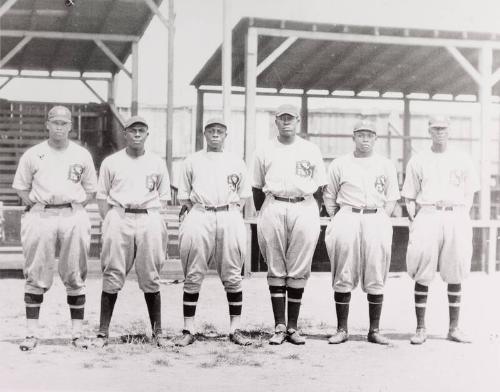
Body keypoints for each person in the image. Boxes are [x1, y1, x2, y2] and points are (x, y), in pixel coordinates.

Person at [12, 105, 98, 351]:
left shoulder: (81, 154)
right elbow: (20, 187)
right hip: (42, 214)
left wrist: (74, 205)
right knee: (36, 273)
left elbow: (91, 189)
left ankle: (77, 334)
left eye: (64, 123)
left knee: (75, 273)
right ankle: (31, 334)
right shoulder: (33, 154)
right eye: (55, 122)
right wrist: (36, 203)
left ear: (71, 126)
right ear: (47, 124)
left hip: (72, 213)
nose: (59, 127)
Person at [93, 115, 171, 348]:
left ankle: (158, 333)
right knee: (113, 272)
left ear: (147, 134)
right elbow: (101, 197)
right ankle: (103, 333)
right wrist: (113, 220)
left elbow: (164, 198)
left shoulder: (157, 162)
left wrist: (152, 217)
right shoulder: (111, 162)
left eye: (141, 130)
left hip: (148, 216)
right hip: (119, 215)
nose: (137, 134)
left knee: (151, 274)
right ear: (124, 134)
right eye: (132, 130)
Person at [252, 104, 326, 345]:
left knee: (298, 266)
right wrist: (267, 210)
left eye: (290, 118)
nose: (286, 122)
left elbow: (320, 187)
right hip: (274, 204)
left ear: (298, 121)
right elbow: (256, 187)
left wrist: (309, 208)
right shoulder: (264, 149)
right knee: (275, 265)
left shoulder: (310, 149)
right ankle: (279, 326)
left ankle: (293, 327)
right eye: (282, 118)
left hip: (303, 205)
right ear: (276, 122)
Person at [174, 118, 252, 347]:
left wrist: (231, 211)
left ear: (226, 135)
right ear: (204, 134)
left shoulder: (236, 161)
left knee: (233, 274)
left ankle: (235, 328)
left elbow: (245, 194)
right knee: (193, 273)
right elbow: (184, 195)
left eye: (220, 131)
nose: (215, 134)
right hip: (200, 213)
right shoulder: (192, 160)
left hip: (228, 213)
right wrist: (199, 210)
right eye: (211, 131)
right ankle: (189, 328)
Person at [402, 115, 479, 345]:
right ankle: (420, 328)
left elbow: (470, 191)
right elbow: (409, 195)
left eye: (443, 128)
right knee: (422, 269)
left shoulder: (462, 158)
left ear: (449, 130)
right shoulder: (419, 159)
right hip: (428, 212)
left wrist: (463, 213)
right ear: (429, 130)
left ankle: (454, 328)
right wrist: (416, 218)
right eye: (435, 128)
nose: (440, 132)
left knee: (455, 268)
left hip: (455, 213)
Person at [323, 120, 400, 345]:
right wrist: (338, 216)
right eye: (361, 134)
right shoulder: (340, 163)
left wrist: (382, 217)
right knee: (343, 271)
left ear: (376, 138)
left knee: (376, 271)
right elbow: (330, 195)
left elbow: (392, 196)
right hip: (348, 214)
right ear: (353, 137)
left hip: (375, 216)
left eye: (369, 135)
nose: (365, 139)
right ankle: (341, 329)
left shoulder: (385, 164)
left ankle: (374, 330)